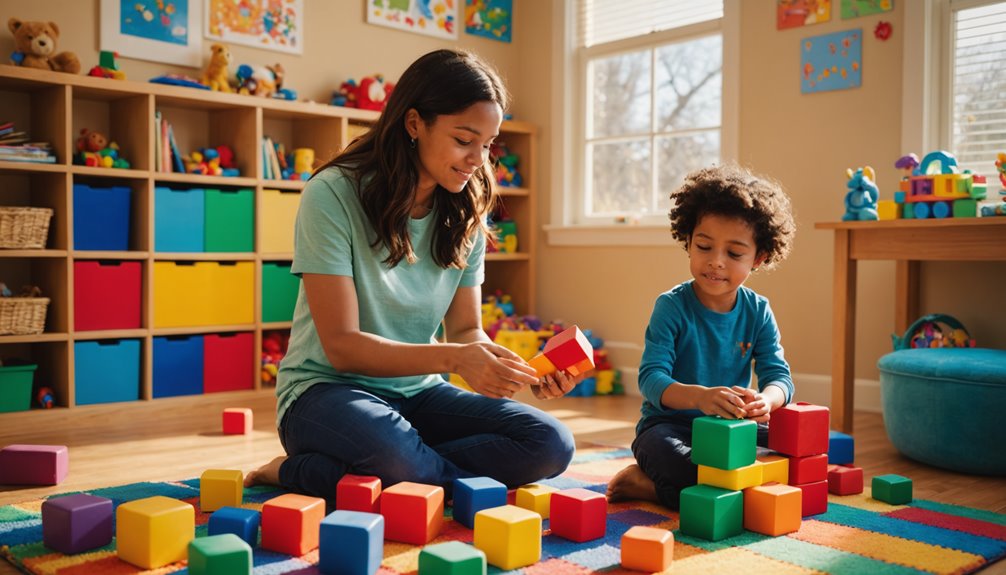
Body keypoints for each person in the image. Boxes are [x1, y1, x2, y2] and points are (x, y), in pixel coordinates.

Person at [245, 49, 577, 502]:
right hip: (324, 393)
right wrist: (455, 360)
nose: (478, 158)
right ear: (415, 123)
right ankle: (319, 469)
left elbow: (464, 329)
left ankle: (383, 474)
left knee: (550, 444)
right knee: (401, 461)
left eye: (488, 144)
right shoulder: (332, 194)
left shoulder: (466, 207)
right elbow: (342, 347)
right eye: (464, 139)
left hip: (418, 392)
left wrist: (514, 369)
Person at [606, 164, 797, 510]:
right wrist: (699, 398)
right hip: (668, 428)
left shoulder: (758, 310)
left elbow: (779, 377)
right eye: (704, 246)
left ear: (759, 258)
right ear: (689, 241)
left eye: (734, 253)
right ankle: (645, 484)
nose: (716, 262)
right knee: (685, 468)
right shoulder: (671, 306)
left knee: (798, 452)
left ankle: (725, 487)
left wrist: (766, 401)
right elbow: (651, 379)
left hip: (731, 430)